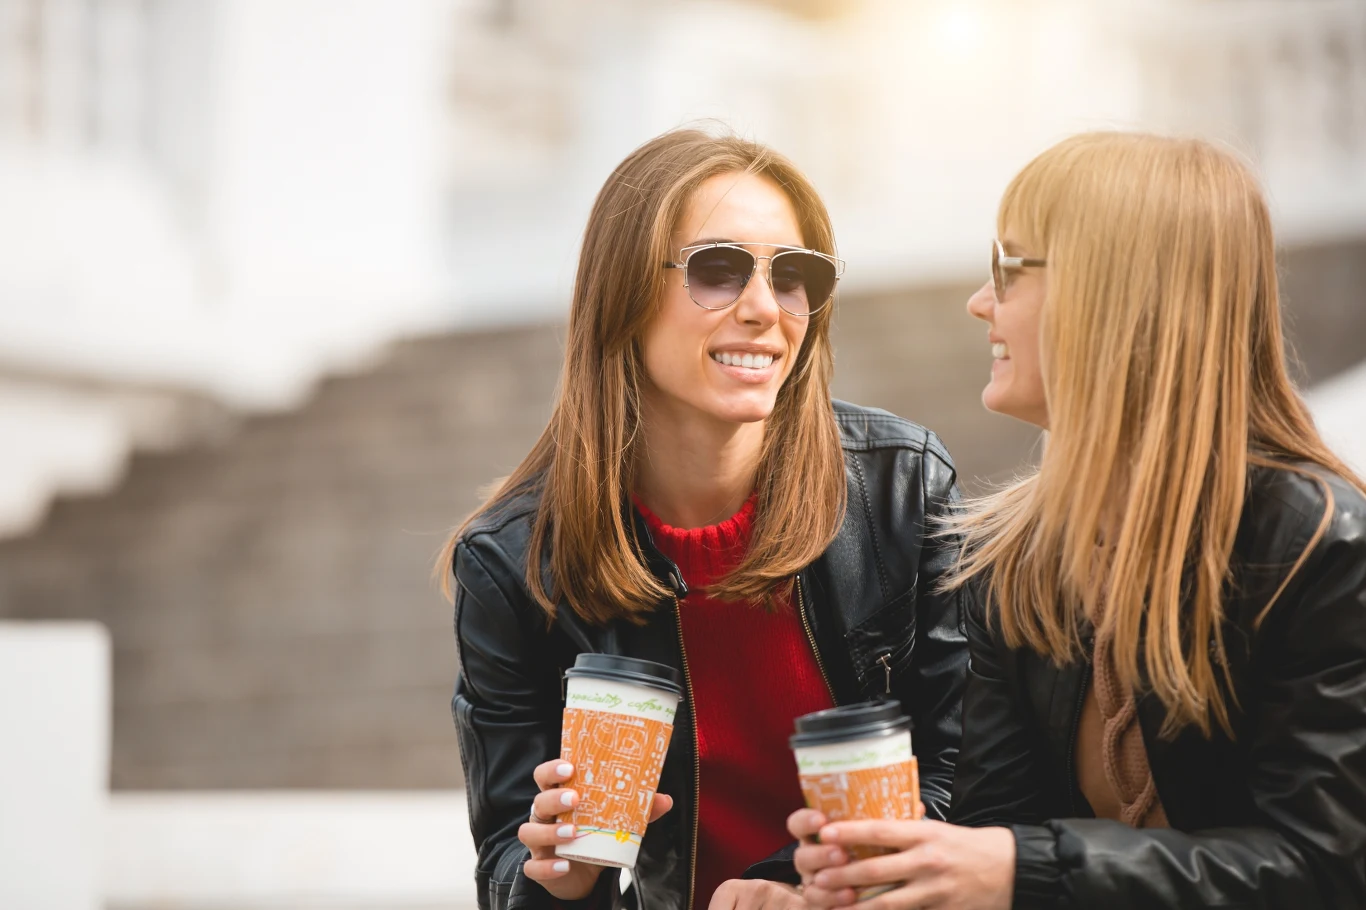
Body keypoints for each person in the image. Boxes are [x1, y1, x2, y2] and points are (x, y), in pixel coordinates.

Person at [788, 131, 1366, 910]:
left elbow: (1329, 869)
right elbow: (996, 833)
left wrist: (1025, 868)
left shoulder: (1318, 547)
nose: (979, 301)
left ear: (1114, 293)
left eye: (1007, 268)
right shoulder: (1016, 559)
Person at [441, 128, 969, 910]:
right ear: (623, 293)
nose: (763, 309)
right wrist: (560, 875)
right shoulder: (513, 561)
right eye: (716, 271)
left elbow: (969, 777)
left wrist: (791, 887)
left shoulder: (901, 486)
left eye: (793, 276)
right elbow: (505, 865)